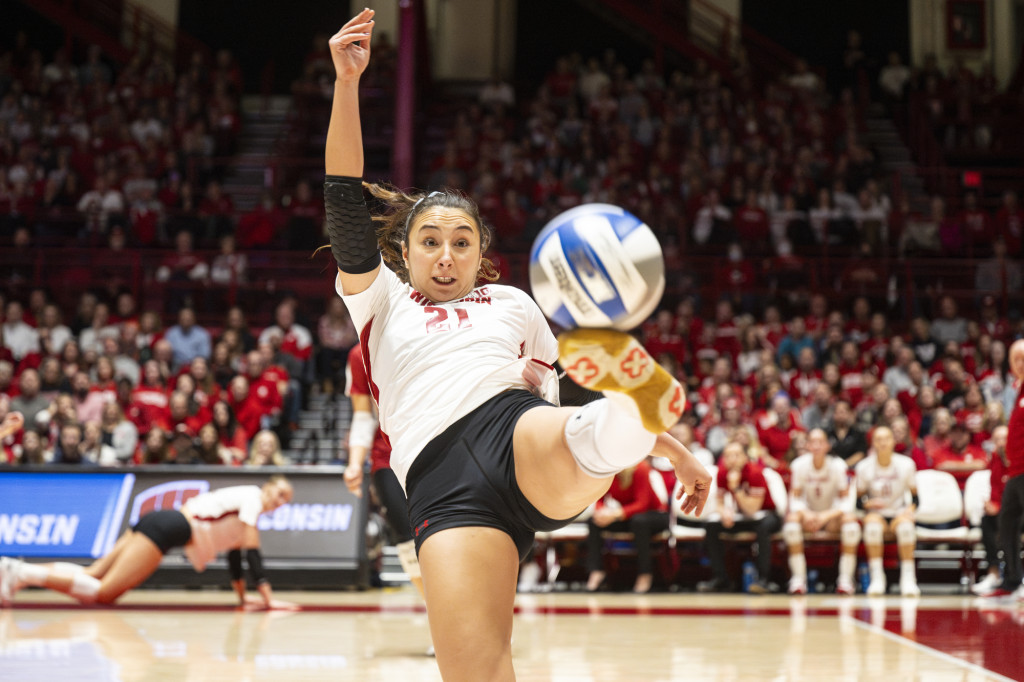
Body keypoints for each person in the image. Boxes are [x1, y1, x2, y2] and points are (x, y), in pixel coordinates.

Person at [322, 12, 709, 680]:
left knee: (591, 424)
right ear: (406, 252)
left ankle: (624, 421)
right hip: (443, 485)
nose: (446, 256)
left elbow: (565, 386)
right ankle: (622, 423)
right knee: (477, 672)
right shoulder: (376, 298)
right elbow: (343, 202)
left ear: (481, 255)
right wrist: (347, 85)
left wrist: (674, 448)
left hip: (516, 430)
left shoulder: (516, 305)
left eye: (462, 242)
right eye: (431, 242)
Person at [0, 475, 295, 608]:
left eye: (286, 501)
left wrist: (243, 599)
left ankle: (17, 574)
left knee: (93, 574)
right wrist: (270, 602)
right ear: (268, 487)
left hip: (163, 521)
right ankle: (21, 572)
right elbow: (253, 556)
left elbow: (236, 558)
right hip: (171, 528)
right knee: (104, 594)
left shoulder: (245, 507)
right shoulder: (254, 499)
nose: (279, 502)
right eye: (279, 494)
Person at [344, 342, 425, 601]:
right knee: (407, 540)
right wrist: (355, 463)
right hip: (386, 458)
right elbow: (363, 415)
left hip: (434, 450)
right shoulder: (358, 355)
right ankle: (440, 622)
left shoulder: (424, 338)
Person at [697, 441, 782, 594]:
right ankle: (720, 579)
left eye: (736, 455)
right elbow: (720, 503)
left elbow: (752, 509)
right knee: (711, 526)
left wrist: (735, 488)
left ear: (745, 457)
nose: (732, 459)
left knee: (763, 528)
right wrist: (725, 514)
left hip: (767, 515)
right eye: (728, 456)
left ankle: (763, 579)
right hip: (744, 517)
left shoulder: (755, 472)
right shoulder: (723, 472)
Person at [782, 429, 859, 595]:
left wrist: (826, 515)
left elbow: (846, 500)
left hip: (831, 518)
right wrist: (806, 513)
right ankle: (798, 579)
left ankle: (845, 580)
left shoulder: (838, 465)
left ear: (827, 445)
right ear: (807, 445)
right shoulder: (799, 465)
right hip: (808, 518)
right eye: (813, 442)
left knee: (851, 524)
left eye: (820, 442)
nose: (816, 445)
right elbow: (794, 498)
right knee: (791, 523)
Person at [585, 460, 669, 594]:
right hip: (628, 516)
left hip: (655, 515)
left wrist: (615, 514)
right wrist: (601, 513)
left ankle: (645, 574)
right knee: (594, 521)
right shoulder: (607, 471)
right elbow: (599, 499)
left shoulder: (641, 468)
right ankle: (596, 571)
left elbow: (643, 503)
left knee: (639, 522)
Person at [854, 426, 920, 596]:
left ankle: (908, 579)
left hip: (898, 512)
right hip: (877, 515)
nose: (883, 443)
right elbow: (858, 501)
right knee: (872, 529)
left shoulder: (906, 464)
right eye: (878, 439)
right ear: (873, 443)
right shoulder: (863, 467)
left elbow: (915, 499)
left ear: (893, 441)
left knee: (906, 528)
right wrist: (869, 504)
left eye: (886, 438)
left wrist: (908, 512)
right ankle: (877, 578)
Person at [986, 339, 1024, 599]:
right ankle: (1012, 580)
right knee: (1006, 522)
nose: (1020, 363)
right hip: (1016, 471)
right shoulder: (1017, 389)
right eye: (1015, 359)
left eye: (1023, 358)